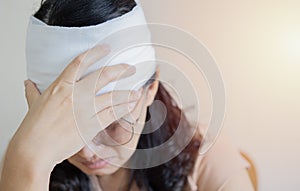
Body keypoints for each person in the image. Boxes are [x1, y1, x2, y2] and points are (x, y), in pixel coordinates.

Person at [0, 0, 255, 190]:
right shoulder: (30, 158)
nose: (88, 152)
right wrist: (29, 158)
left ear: (150, 89)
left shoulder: (209, 163)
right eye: (70, 124)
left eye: (111, 122)